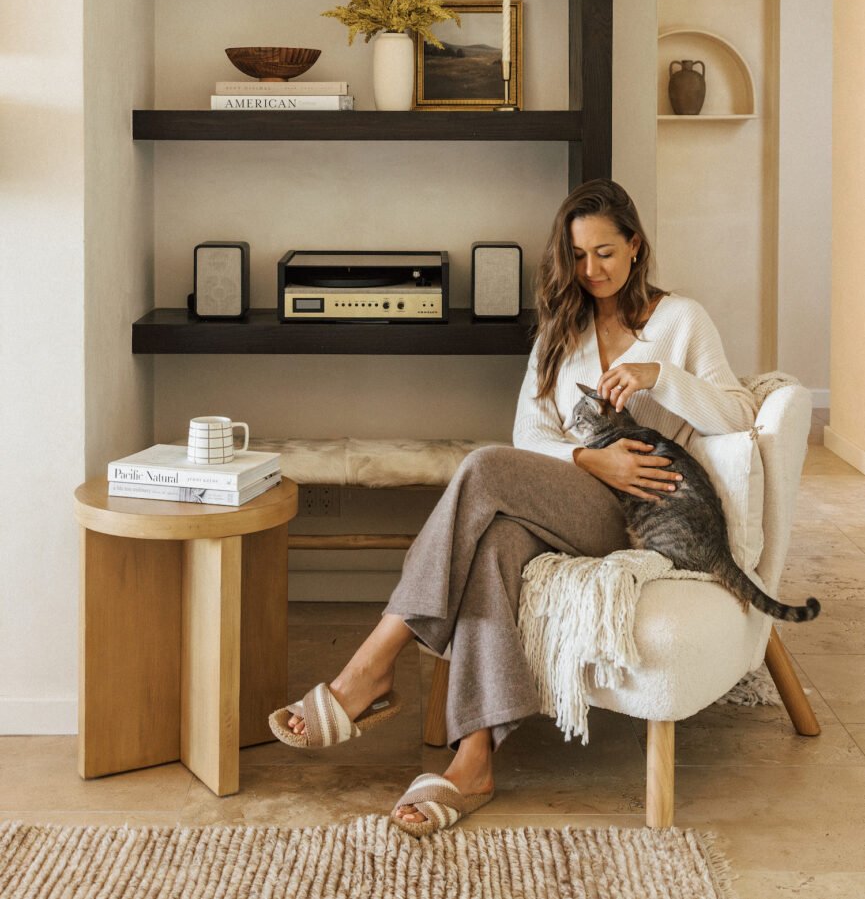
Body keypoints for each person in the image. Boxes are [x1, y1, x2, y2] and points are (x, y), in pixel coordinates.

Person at [269, 179, 757, 835]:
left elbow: (738, 414)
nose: (591, 270)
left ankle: (371, 665)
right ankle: (473, 759)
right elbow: (531, 435)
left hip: (639, 518)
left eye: (606, 252)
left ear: (636, 246)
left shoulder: (681, 320)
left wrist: (657, 377)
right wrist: (589, 459)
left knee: (480, 466)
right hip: (576, 493)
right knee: (494, 541)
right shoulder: (564, 325)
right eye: (578, 256)